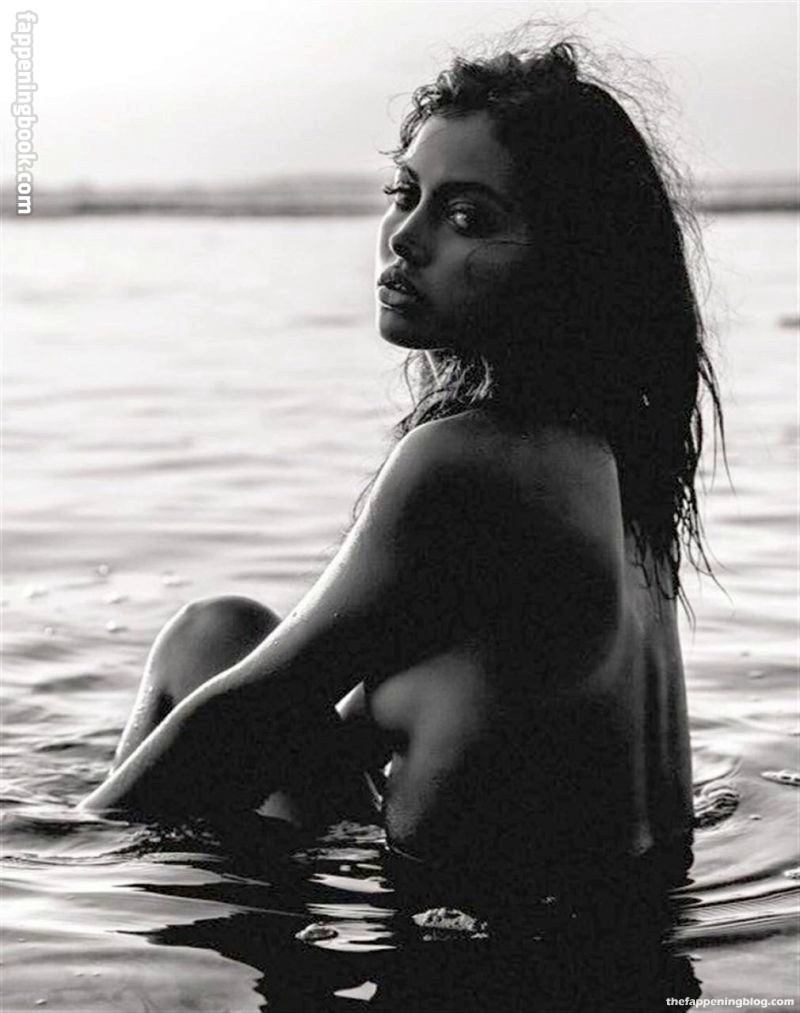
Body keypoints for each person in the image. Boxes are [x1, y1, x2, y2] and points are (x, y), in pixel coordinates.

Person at [80, 40, 722, 896]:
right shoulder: (616, 461)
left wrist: (60, 854)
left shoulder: (470, 459)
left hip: (474, 951)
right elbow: (378, 716)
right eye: (405, 194)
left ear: (569, 262)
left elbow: (254, 714)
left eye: (466, 218)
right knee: (218, 634)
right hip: (630, 931)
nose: (405, 239)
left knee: (201, 678)